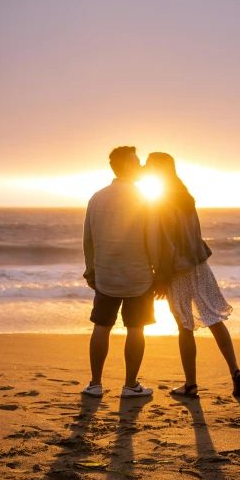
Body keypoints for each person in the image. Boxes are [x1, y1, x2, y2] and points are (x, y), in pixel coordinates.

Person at [146, 152, 240, 397]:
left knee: (185, 327)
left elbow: (167, 244)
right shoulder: (186, 198)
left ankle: (190, 384)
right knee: (213, 318)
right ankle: (235, 370)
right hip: (200, 267)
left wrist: (161, 276)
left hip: (178, 270)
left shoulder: (160, 201)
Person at [82, 146, 154, 398]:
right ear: (126, 166)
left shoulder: (97, 198)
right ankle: (130, 384)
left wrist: (90, 270)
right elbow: (152, 239)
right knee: (136, 328)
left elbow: (88, 240)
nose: (141, 167)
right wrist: (158, 270)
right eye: (137, 162)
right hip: (140, 276)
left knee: (102, 326)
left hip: (106, 275)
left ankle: (95, 384)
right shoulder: (144, 199)